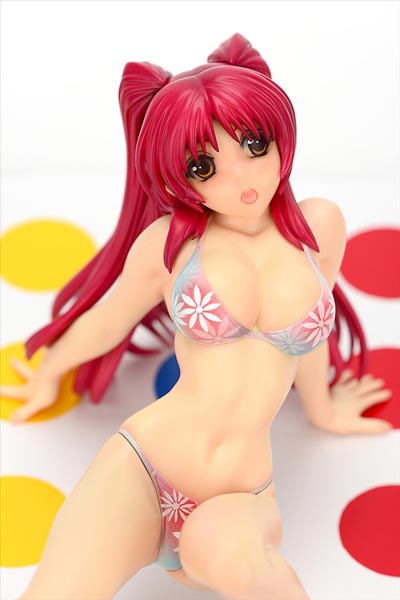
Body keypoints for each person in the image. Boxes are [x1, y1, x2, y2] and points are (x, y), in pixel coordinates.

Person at [2, 34, 392, 599]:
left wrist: (324, 409)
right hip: (143, 463)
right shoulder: (172, 247)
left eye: (254, 144)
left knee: (247, 568)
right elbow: (108, 322)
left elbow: (307, 340)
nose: (242, 178)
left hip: (241, 496)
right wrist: (48, 372)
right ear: (179, 175)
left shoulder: (319, 227)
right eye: (204, 165)